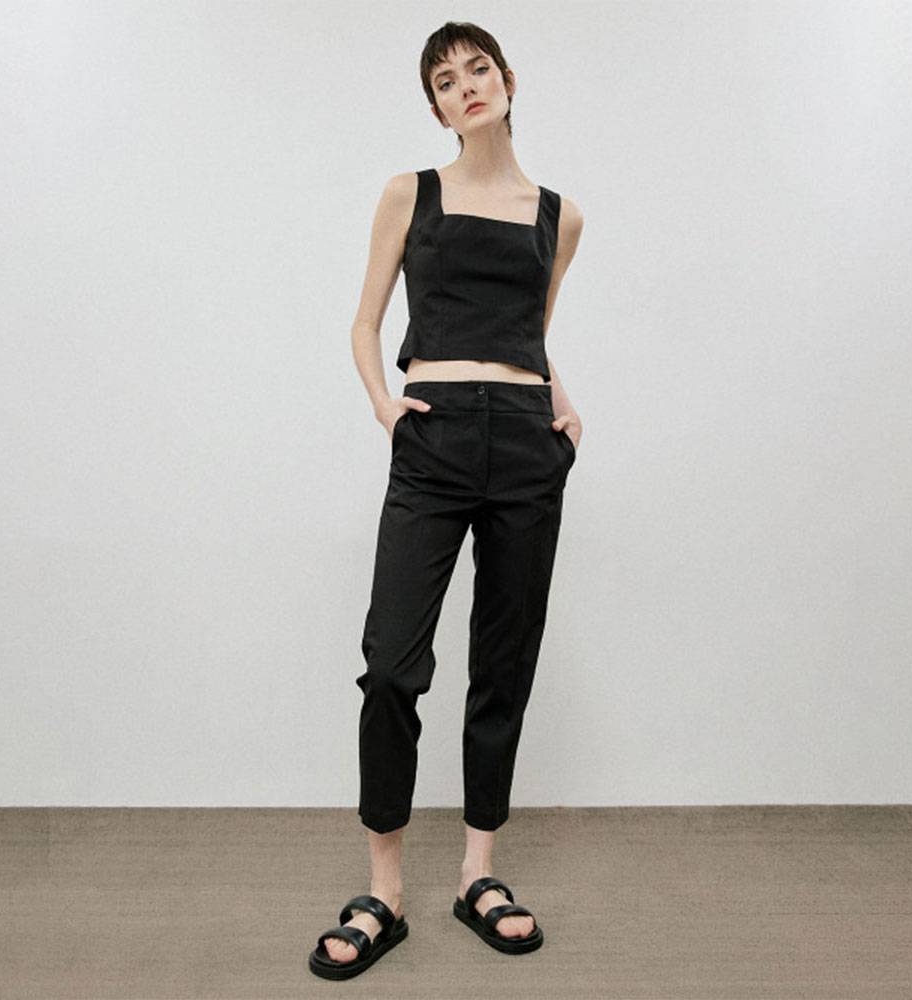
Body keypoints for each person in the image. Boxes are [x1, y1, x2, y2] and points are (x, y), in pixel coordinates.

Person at [308, 21, 584, 981]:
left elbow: (530, 333)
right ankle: (383, 894)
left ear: (508, 80)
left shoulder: (560, 216)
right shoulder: (410, 194)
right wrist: (385, 405)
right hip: (432, 437)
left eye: (477, 69)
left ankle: (478, 874)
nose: (465, 85)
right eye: (444, 81)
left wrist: (563, 408)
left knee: (504, 660)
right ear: (436, 110)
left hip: (525, 443)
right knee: (393, 664)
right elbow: (365, 321)